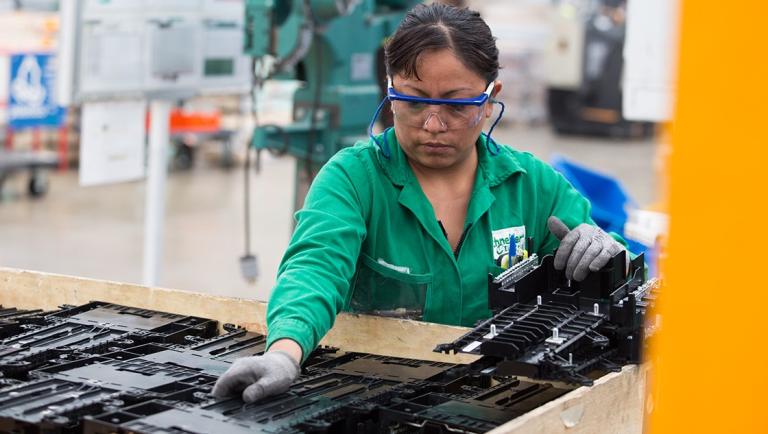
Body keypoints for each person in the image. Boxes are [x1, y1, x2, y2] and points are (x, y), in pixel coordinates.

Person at [212, 3, 626, 403]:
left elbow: (601, 276)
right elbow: (313, 270)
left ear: (489, 97)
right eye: (412, 101)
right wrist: (283, 354)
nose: (432, 124)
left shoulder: (533, 187)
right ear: (389, 90)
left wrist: (607, 257)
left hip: (500, 399)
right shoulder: (353, 180)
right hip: (376, 395)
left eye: (456, 103)